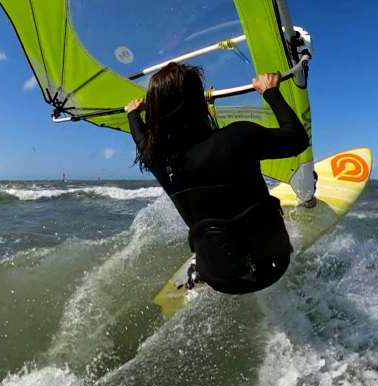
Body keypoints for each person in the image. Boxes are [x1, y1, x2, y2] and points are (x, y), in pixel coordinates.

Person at [126, 62, 309, 295]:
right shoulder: (237, 138)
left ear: (155, 114)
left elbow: (140, 137)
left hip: (221, 280)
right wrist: (270, 91)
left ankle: (200, 271)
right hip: (275, 264)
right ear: (200, 103)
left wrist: (133, 112)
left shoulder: (157, 161)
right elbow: (297, 139)